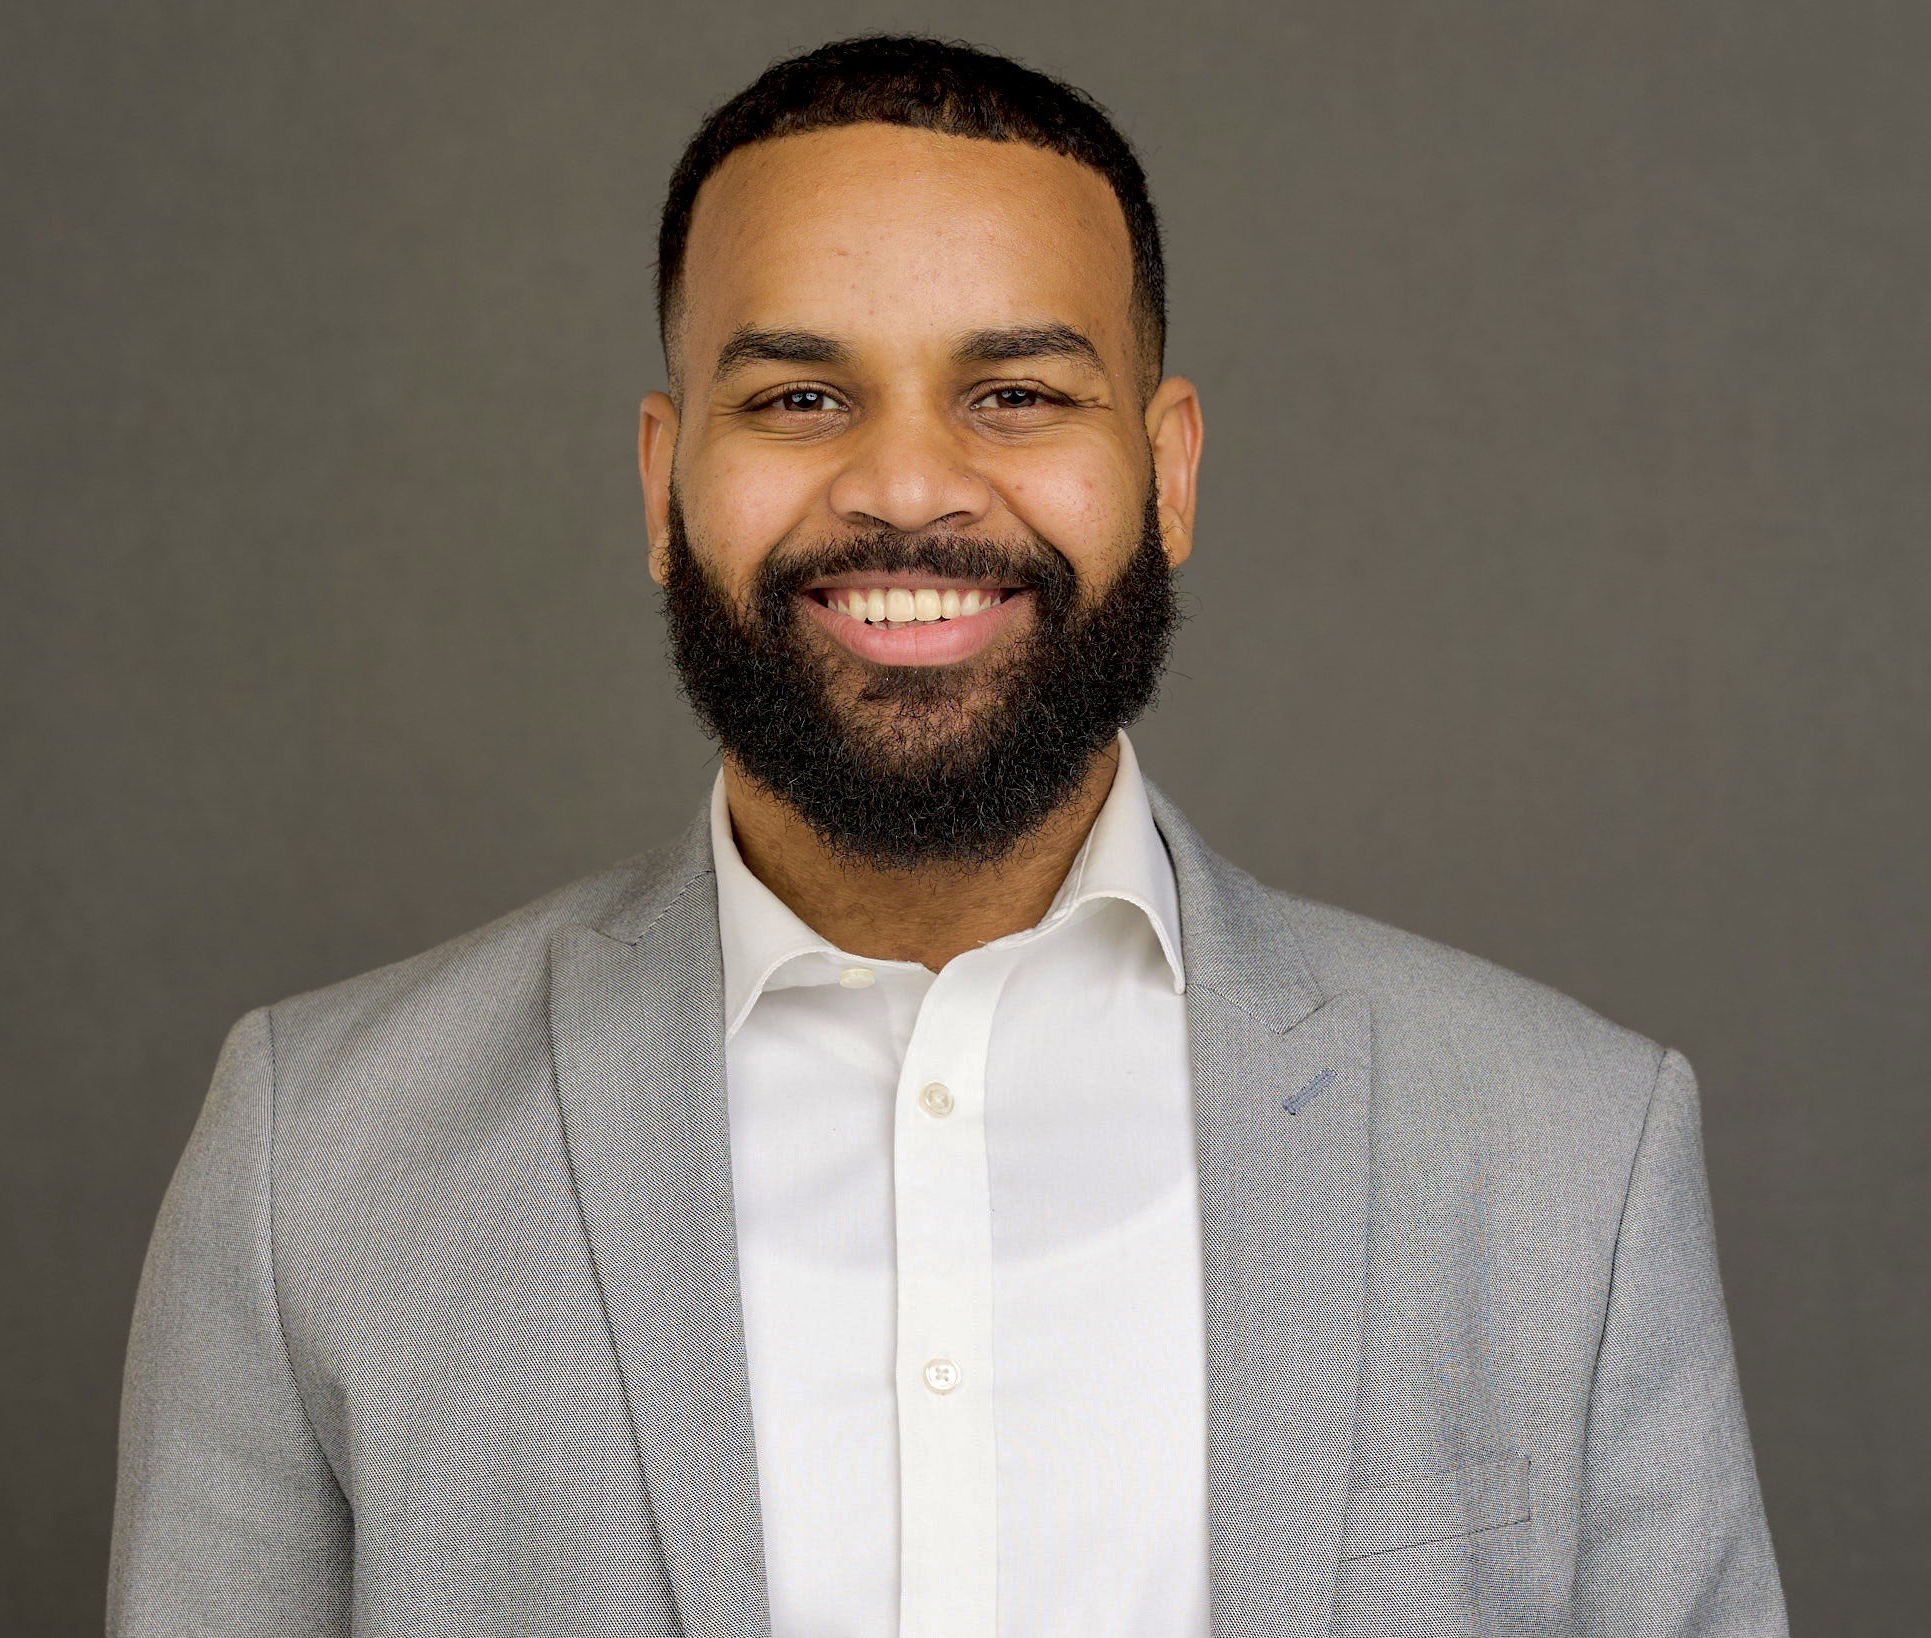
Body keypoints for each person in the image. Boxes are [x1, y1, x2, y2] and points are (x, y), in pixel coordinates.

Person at [107, 33, 1789, 1636]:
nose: (909, 488)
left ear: (1168, 468)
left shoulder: (1571, 1157)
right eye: (796, 400)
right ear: (658, 478)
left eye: (1014, 394)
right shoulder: (313, 1168)